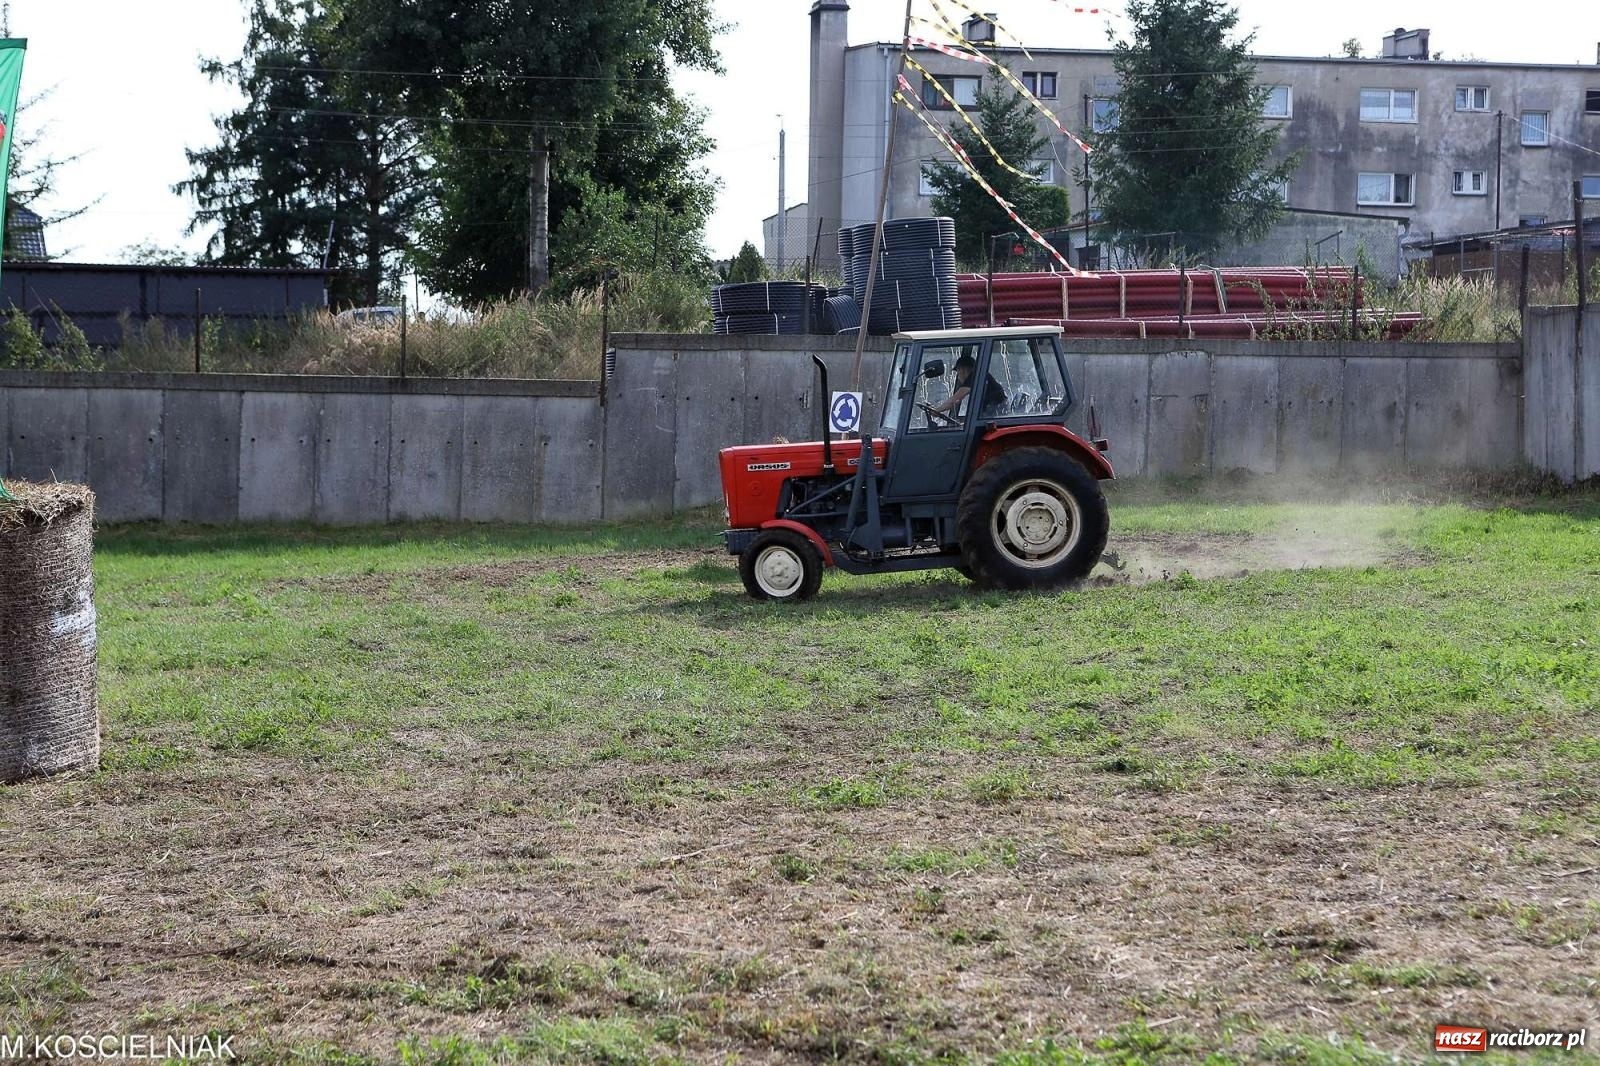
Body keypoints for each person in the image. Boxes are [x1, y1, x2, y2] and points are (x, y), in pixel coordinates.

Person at [928, 353, 1006, 419]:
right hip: (993, 413)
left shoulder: (975, 377)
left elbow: (954, 400)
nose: (958, 376)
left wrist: (936, 410)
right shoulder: (980, 377)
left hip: (994, 416)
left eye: (958, 372)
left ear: (963, 369)